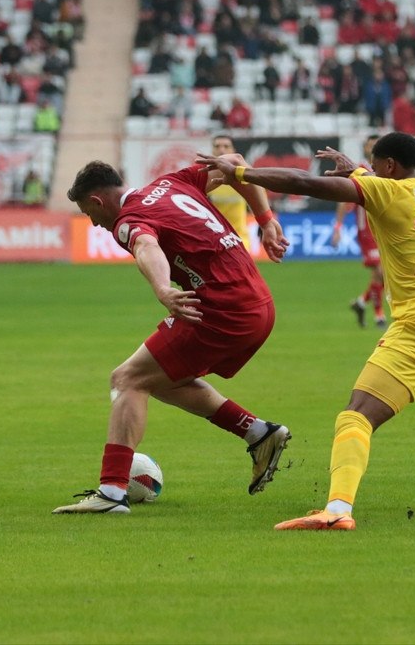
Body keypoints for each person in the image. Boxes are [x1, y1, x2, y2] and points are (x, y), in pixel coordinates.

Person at [198, 132, 415, 532]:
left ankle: (336, 509)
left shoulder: (386, 191)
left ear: (388, 167)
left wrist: (242, 172)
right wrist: (362, 170)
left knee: (356, 417)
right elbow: (386, 185)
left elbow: (304, 183)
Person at [53, 158, 292, 514]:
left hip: (221, 310)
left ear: (98, 201)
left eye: (89, 212)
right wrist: (266, 220)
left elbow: (146, 246)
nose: (94, 223)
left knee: (127, 378)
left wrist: (163, 288)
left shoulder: (127, 219)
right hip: (259, 303)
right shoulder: (173, 182)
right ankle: (258, 433)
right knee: (160, 379)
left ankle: (112, 492)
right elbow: (236, 165)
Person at [331, 134, 386, 328]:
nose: (372, 149)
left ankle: (361, 303)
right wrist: (337, 228)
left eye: (376, 146)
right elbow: (343, 201)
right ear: (364, 149)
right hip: (367, 231)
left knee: (383, 274)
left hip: (384, 231)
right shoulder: (359, 171)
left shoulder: (385, 173)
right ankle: (379, 315)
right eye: (369, 146)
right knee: (381, 272)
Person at [206, 134, 251, 246]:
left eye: (226, 146)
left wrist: (265, 222)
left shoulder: (244, 175)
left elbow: (258, 199)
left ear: (233, 150)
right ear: (212, 150)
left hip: (240, 239)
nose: (222, 150)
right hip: (214, 241)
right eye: (217, 146)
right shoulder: (204, 178)